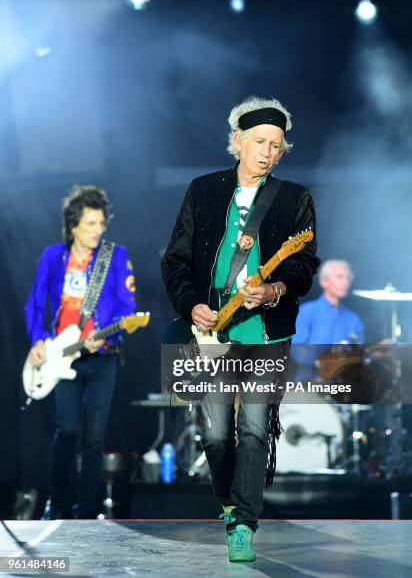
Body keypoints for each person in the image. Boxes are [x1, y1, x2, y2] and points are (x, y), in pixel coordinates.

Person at [161, 96, 320, 562]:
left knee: (253, 428)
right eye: (259, 142)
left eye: (276, 145)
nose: (268, 152)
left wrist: (273, 291)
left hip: (267, 335)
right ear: (237, 143)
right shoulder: (202, 190)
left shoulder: (294, 199)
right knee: (213, 435)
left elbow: (306, 265)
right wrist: (192, 305)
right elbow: (175, 261)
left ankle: (244, 525)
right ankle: (229, 502)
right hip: (212, 333)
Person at [25, 185, 136, 519]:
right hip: (63, 355)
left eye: (101, 224)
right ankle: (56, 503)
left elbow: (128, 309)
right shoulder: (52, 257)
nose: (98, 231)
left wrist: (103, 339)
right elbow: (35, 305)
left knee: (94, 437)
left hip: (102, 358)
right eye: (90, 224)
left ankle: (86, 509)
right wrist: (39, 340)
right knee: (69, 429)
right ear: (73, 225)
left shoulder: (115, 256)